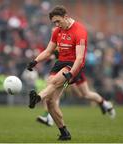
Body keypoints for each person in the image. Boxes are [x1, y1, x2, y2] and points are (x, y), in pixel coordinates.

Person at [27, 5, 114, 140]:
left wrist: (71, 73)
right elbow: (49, 51)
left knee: (57, 83)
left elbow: (79, 58)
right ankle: (64, 133)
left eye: (58, 21)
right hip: (60, 63)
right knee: (51, 102)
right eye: (54, 22)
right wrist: (35, 61)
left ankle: (38, 98)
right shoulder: (57, 31)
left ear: (66, 17)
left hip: (74, 65)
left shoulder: (80, 31)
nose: (56, 25)